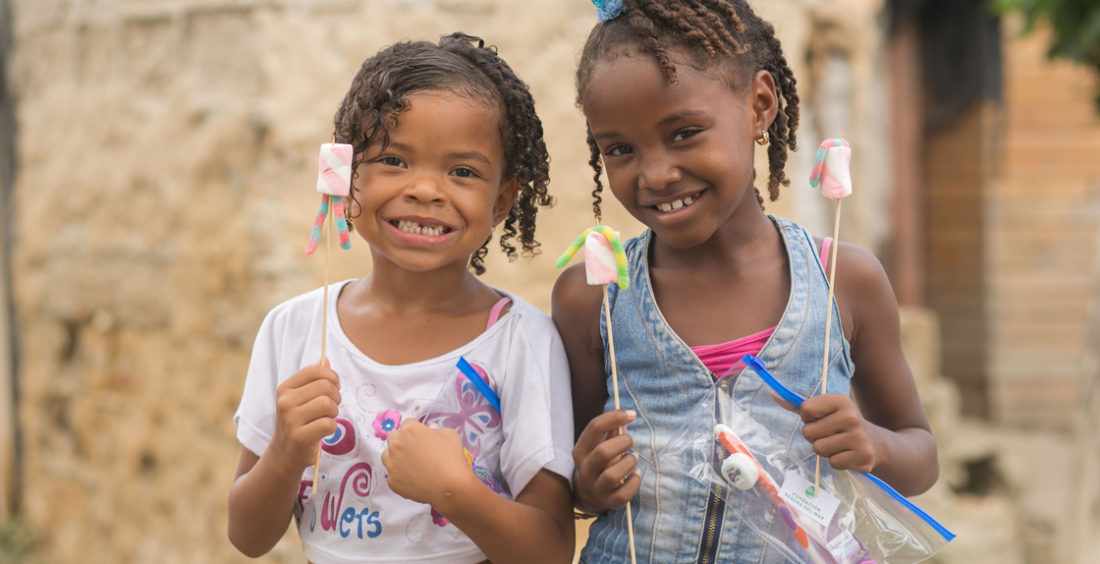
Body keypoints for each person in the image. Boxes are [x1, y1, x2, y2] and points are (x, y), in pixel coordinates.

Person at [552, 1, 940, 562]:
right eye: (620, 149)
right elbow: (567, 473)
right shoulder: (592, 298)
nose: (656, 173)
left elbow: (920, 455)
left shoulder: (844, 280)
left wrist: (872, 445)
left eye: (684, 133)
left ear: (759, 105)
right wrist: (586, 485)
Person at [228, 32, 575, 564]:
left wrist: (454, 491)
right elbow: (247, 537)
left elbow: (549, 550)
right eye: (393, 160)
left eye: (462, 171)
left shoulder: (521, 340)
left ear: (502, 199)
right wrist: (285, 452)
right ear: (346, 177)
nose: (425, 190)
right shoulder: (294, 329)